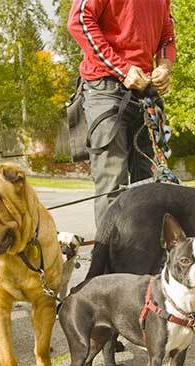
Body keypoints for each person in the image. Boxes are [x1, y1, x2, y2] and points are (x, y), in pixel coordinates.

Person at [67, 0, 176, 226]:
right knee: (112, 186)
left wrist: (165, 66)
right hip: (105, 90)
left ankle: (145, 258)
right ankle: (108, 259)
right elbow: (79, 20)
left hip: (144, 93)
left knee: (150, 186)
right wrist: (122, 68)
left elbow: (167, 34)